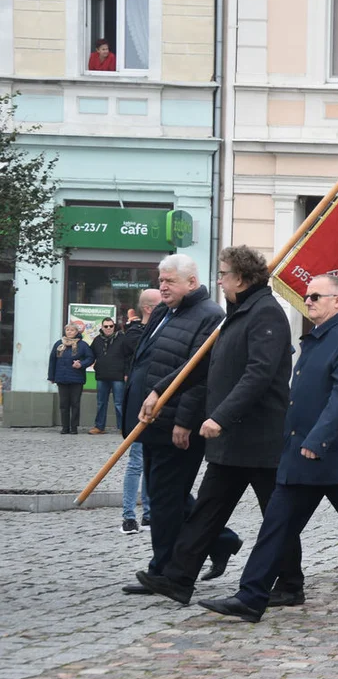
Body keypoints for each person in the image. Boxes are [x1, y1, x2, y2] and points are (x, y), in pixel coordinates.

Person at [198, 275, 338, 623]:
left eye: (314, 297)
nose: (307, 302)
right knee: (276, 526)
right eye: (306, 297)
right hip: (301, 455)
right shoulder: (316, 338)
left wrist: (318, 440)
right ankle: (251, 596)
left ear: (337, 302)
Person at [134, 246, 305, 607]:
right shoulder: (238, 313)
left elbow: (258, 375)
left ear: (241, 278)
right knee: (206, 511)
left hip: (259, 439)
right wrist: (159, 391)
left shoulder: (266, 314)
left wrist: (220, 416)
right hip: (231, 441)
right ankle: (179, 579)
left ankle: (289, 584)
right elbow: (202, 365)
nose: (220, 280)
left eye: (223, 274)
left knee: (276, 514)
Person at [119, 254, 241, 595]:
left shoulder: (210, 317)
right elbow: (146, 359)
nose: (163, 286)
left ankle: (165, 569)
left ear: (191, 281)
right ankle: (220, 541)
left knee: (165, 500)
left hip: (178, 424)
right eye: (160, 280)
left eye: (169, 281)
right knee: (164, 493)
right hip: (151, 420)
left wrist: (185, 421)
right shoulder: (162, 311)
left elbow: (200, 375)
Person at [119, 289, 160, 534]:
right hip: (138, 407)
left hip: (156, 406)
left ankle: (149, 513)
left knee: (151, 462)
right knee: (136, 462)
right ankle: (128, 516)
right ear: (148, 309)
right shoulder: (135, 335)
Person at [47, 323, 94, 435]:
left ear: (77, 332)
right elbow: (52, 360)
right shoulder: (59, 344)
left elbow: (90, 358)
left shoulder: (82, 345)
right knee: (63, 404)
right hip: (61, 378)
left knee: (75, 404)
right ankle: (65, 427)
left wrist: (81, 364)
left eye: (72, 330)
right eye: (67, 330)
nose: (69, 332)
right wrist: (52, 376)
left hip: (76, 379)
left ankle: (74, 427)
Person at [89, 317, 125, 435]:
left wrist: (127, 373)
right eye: (106, 326)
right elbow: (90, 355)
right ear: (102, 327)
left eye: (111, 326)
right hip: (102, 376)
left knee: (119, 403)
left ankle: (122, 427)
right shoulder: (97, 340)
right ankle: (99, 427)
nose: (108, 328)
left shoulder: (122, 339)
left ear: (114, 327)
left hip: (118, 376)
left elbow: (130, 357)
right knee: (101, 403)